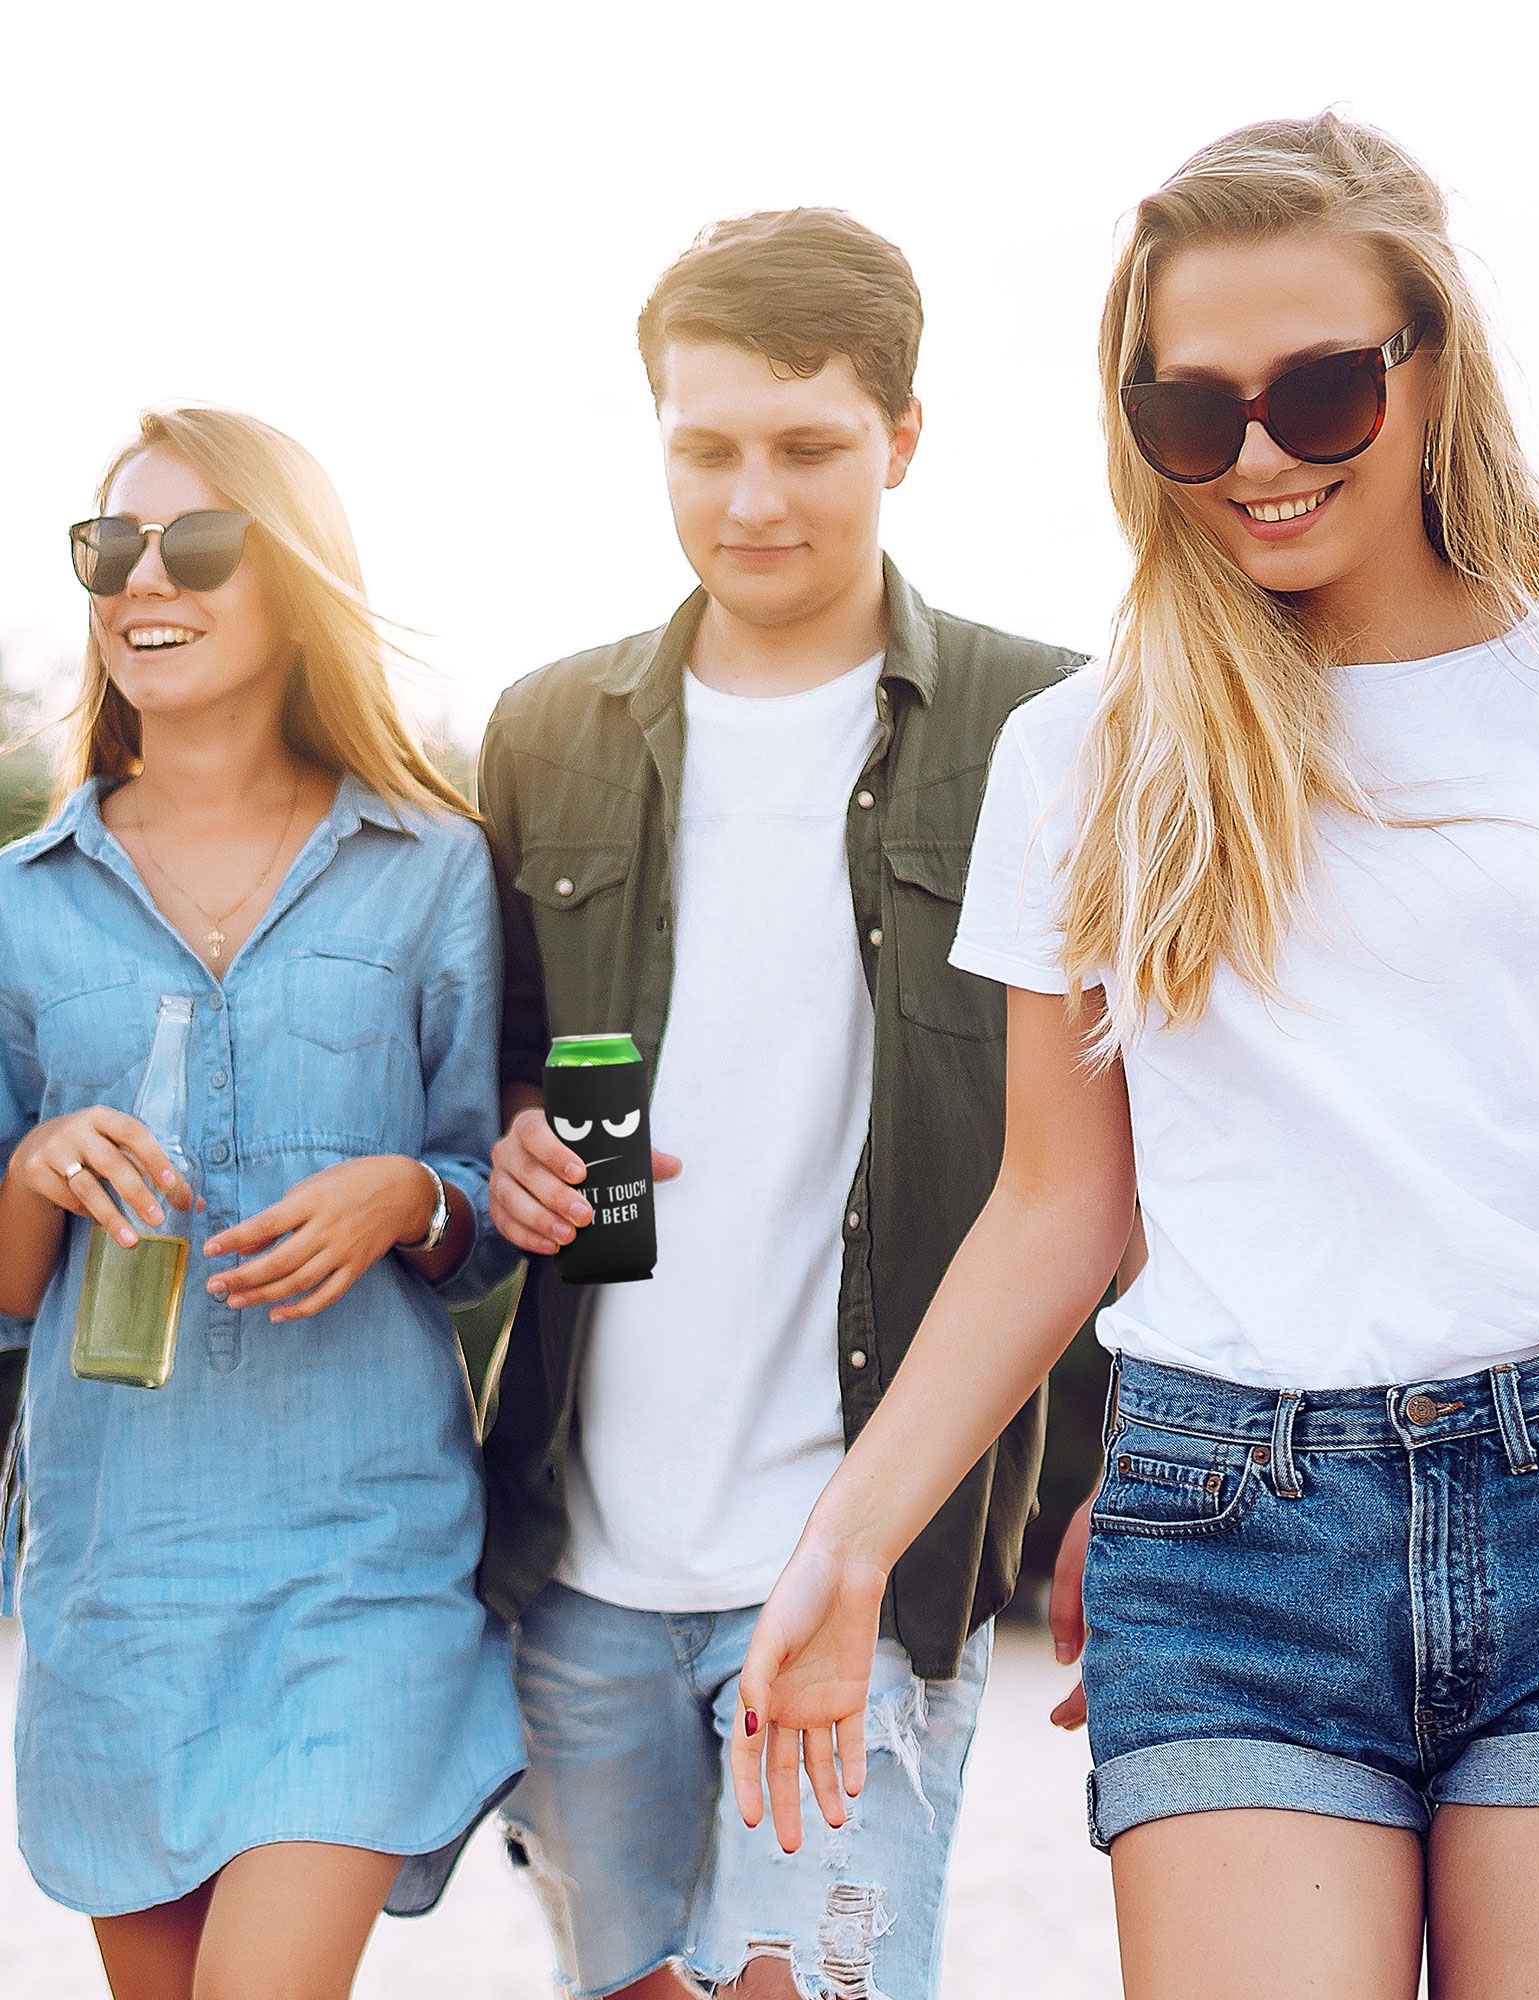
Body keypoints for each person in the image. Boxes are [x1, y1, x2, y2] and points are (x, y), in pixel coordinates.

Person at [727, 115, 1539, 2000]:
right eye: (1195, 415)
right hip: (1230, 1529)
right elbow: (1057, 1202)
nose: (1261, 458)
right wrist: (846, 1548)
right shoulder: (1083, 753)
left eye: (1321, 391)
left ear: (1431, 370)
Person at [476, 208, 1086, 2000]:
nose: (754, 498)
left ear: (903, 440)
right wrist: (510, 1142)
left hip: (873, 1554)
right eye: (706, 447)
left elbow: (1126, 1163)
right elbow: (495, 1066)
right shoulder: (541, 731)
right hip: (581, 1557)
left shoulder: (1048, 725)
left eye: (809, 448)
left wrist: (1109, 1491)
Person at [0, 407, 523, 2000]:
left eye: (199, 543)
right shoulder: (20, 906)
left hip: (357, 1559)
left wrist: (406, 1199)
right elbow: (10, 1298)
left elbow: (487, 1218)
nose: (144, 580)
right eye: (113, 547)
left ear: (292, 582)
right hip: (115, 1575)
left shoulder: (431, 866)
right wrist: (29, 1170)